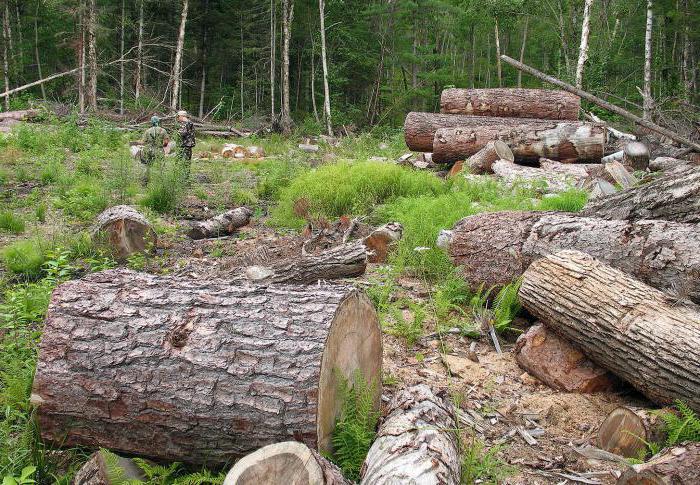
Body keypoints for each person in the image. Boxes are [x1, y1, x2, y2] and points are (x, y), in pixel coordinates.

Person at [140, 116, 169, 184]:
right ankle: (160, 182)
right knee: (161, 166)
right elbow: (166, 142)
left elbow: (143, 142)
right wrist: (163, 146)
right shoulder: (163, 130)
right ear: (158, 121)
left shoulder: (147, 131)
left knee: (147, 165)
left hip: (149, 150)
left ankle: (145, 182)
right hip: (159, 150)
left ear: (151, 122)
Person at [176, 110, 196, 180]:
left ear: (182, 116)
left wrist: (176, 132)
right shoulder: (186, 123)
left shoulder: (187, 123)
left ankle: (184, 178)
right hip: (185, 145)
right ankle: (181, 177)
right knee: (182, 161)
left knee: (185, 161)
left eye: (178, 116)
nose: (178, 118)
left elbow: (182, 133)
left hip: (186, 145)